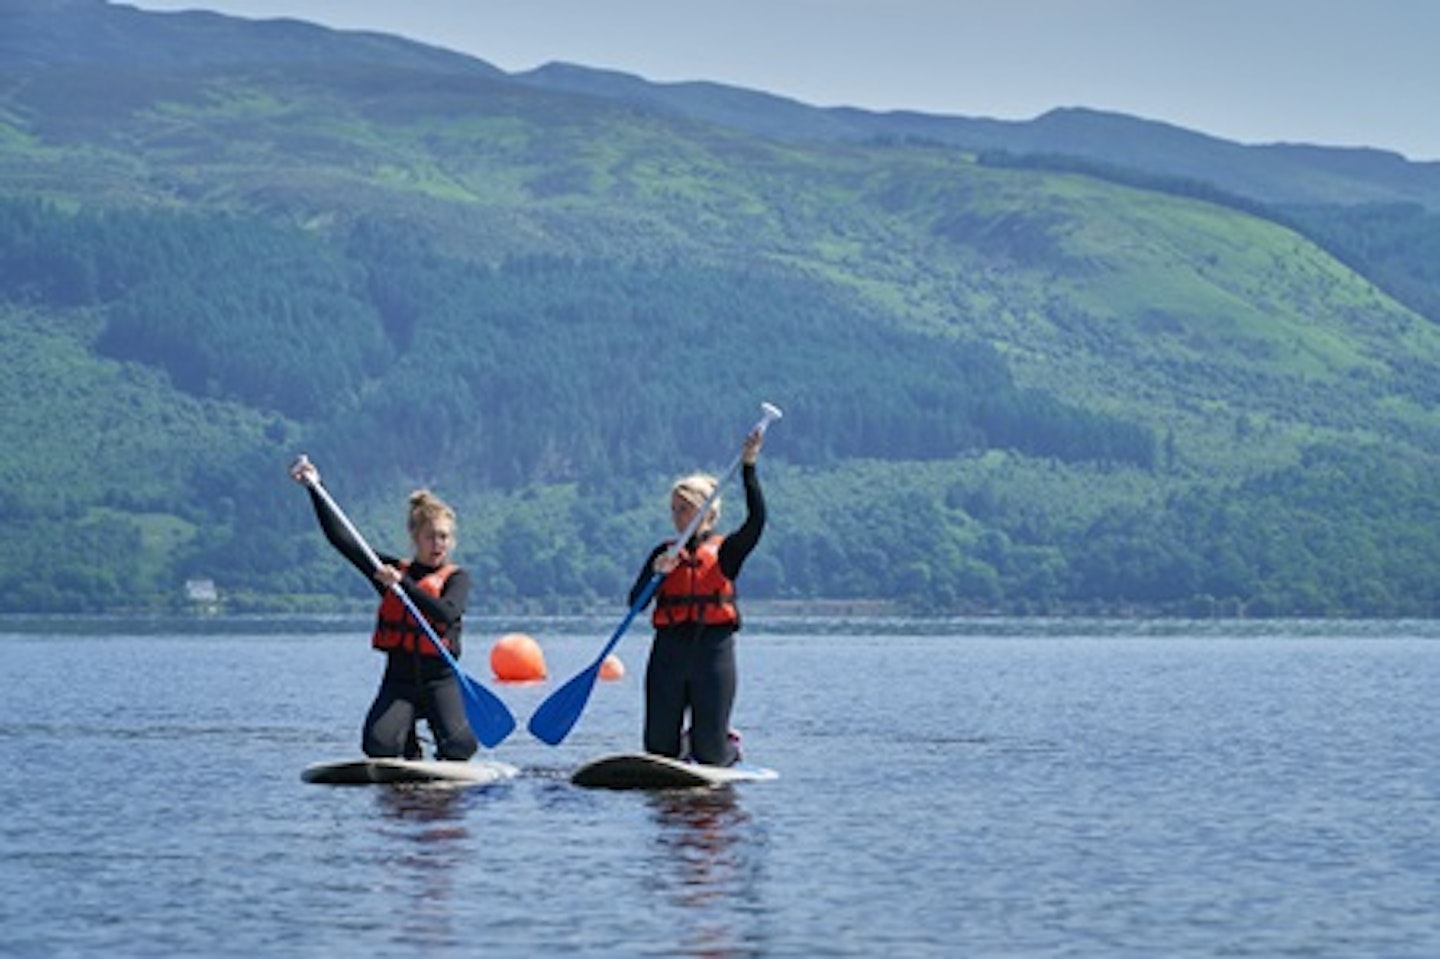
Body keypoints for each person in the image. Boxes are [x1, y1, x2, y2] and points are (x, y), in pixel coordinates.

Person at [289, 456, 478, 761]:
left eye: (444, 537)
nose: (438, 544)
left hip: (439, 680)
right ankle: (408, 742)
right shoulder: (388, 571)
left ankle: (438, 736)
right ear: (416, 537)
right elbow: (343, 540)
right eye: (431, 536)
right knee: (379, 748)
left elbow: (446, 613)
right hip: (399, 680)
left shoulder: (457, 578)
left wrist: (403, 585)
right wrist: (316, 488)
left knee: (460, 748)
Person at [629, 427, 767, 767]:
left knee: (710, 755)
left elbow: (757, 520)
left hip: (712, 653)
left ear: (708, 513)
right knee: (658, 749)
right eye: (675, 509)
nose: (678, 516)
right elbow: (635, 603)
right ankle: (682, 745)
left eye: (687, 508)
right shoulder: (664, 553)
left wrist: (749, 467)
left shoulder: (727, 552)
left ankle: (725, 746)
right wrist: (655, 575)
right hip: (668, 654)